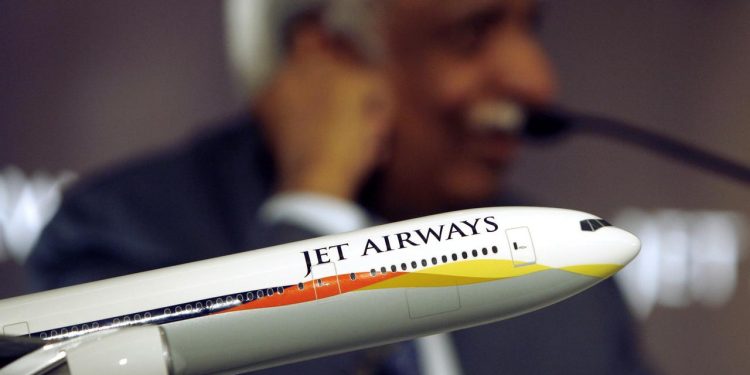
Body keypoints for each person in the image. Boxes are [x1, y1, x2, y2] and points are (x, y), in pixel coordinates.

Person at [28, 0, 650, 373]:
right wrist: (314, 202)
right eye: (471, 31)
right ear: (327, 54)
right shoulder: (119, 236)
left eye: (530, 25)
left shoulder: (560, 268)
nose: (536, 80)